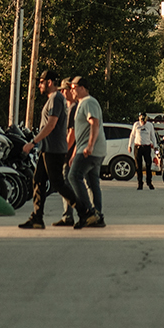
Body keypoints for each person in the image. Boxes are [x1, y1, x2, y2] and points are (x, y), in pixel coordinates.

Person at [17, 72, 78, 230]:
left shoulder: (56, 99)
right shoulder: (53, 99)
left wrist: (33, 142)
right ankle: (37, 218)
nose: (39, 85)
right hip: (47, 149)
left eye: (42, 82)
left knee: (58, 183)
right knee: (38, 181)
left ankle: (85, 211)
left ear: (49, 82)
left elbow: (51, 125)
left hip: (54, 150)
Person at [66, 76, 106, 228]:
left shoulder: (89, 102)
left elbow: (94, 123)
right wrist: (74, 151)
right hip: (86, 149)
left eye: (74, 87)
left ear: (82, 88)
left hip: (91, 150)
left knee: (74, 176)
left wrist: (89, 146)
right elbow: (80, 132)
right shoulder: (81, 104)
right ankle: (98, 216)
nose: (71, 90)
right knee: (92, 183)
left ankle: (89, 212)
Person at [130, 113, 159, 190]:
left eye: (144, 121)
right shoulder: (136, 125)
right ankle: (140, 183)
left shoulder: (149, 125)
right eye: (142, 121)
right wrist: (130, 145)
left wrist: (155, 146)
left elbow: (153, 136)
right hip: (138, 147)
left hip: (147, 147)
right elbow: (132, 135)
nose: (143, 123)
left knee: (148, 165)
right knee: (138, 166)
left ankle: (149, 182)